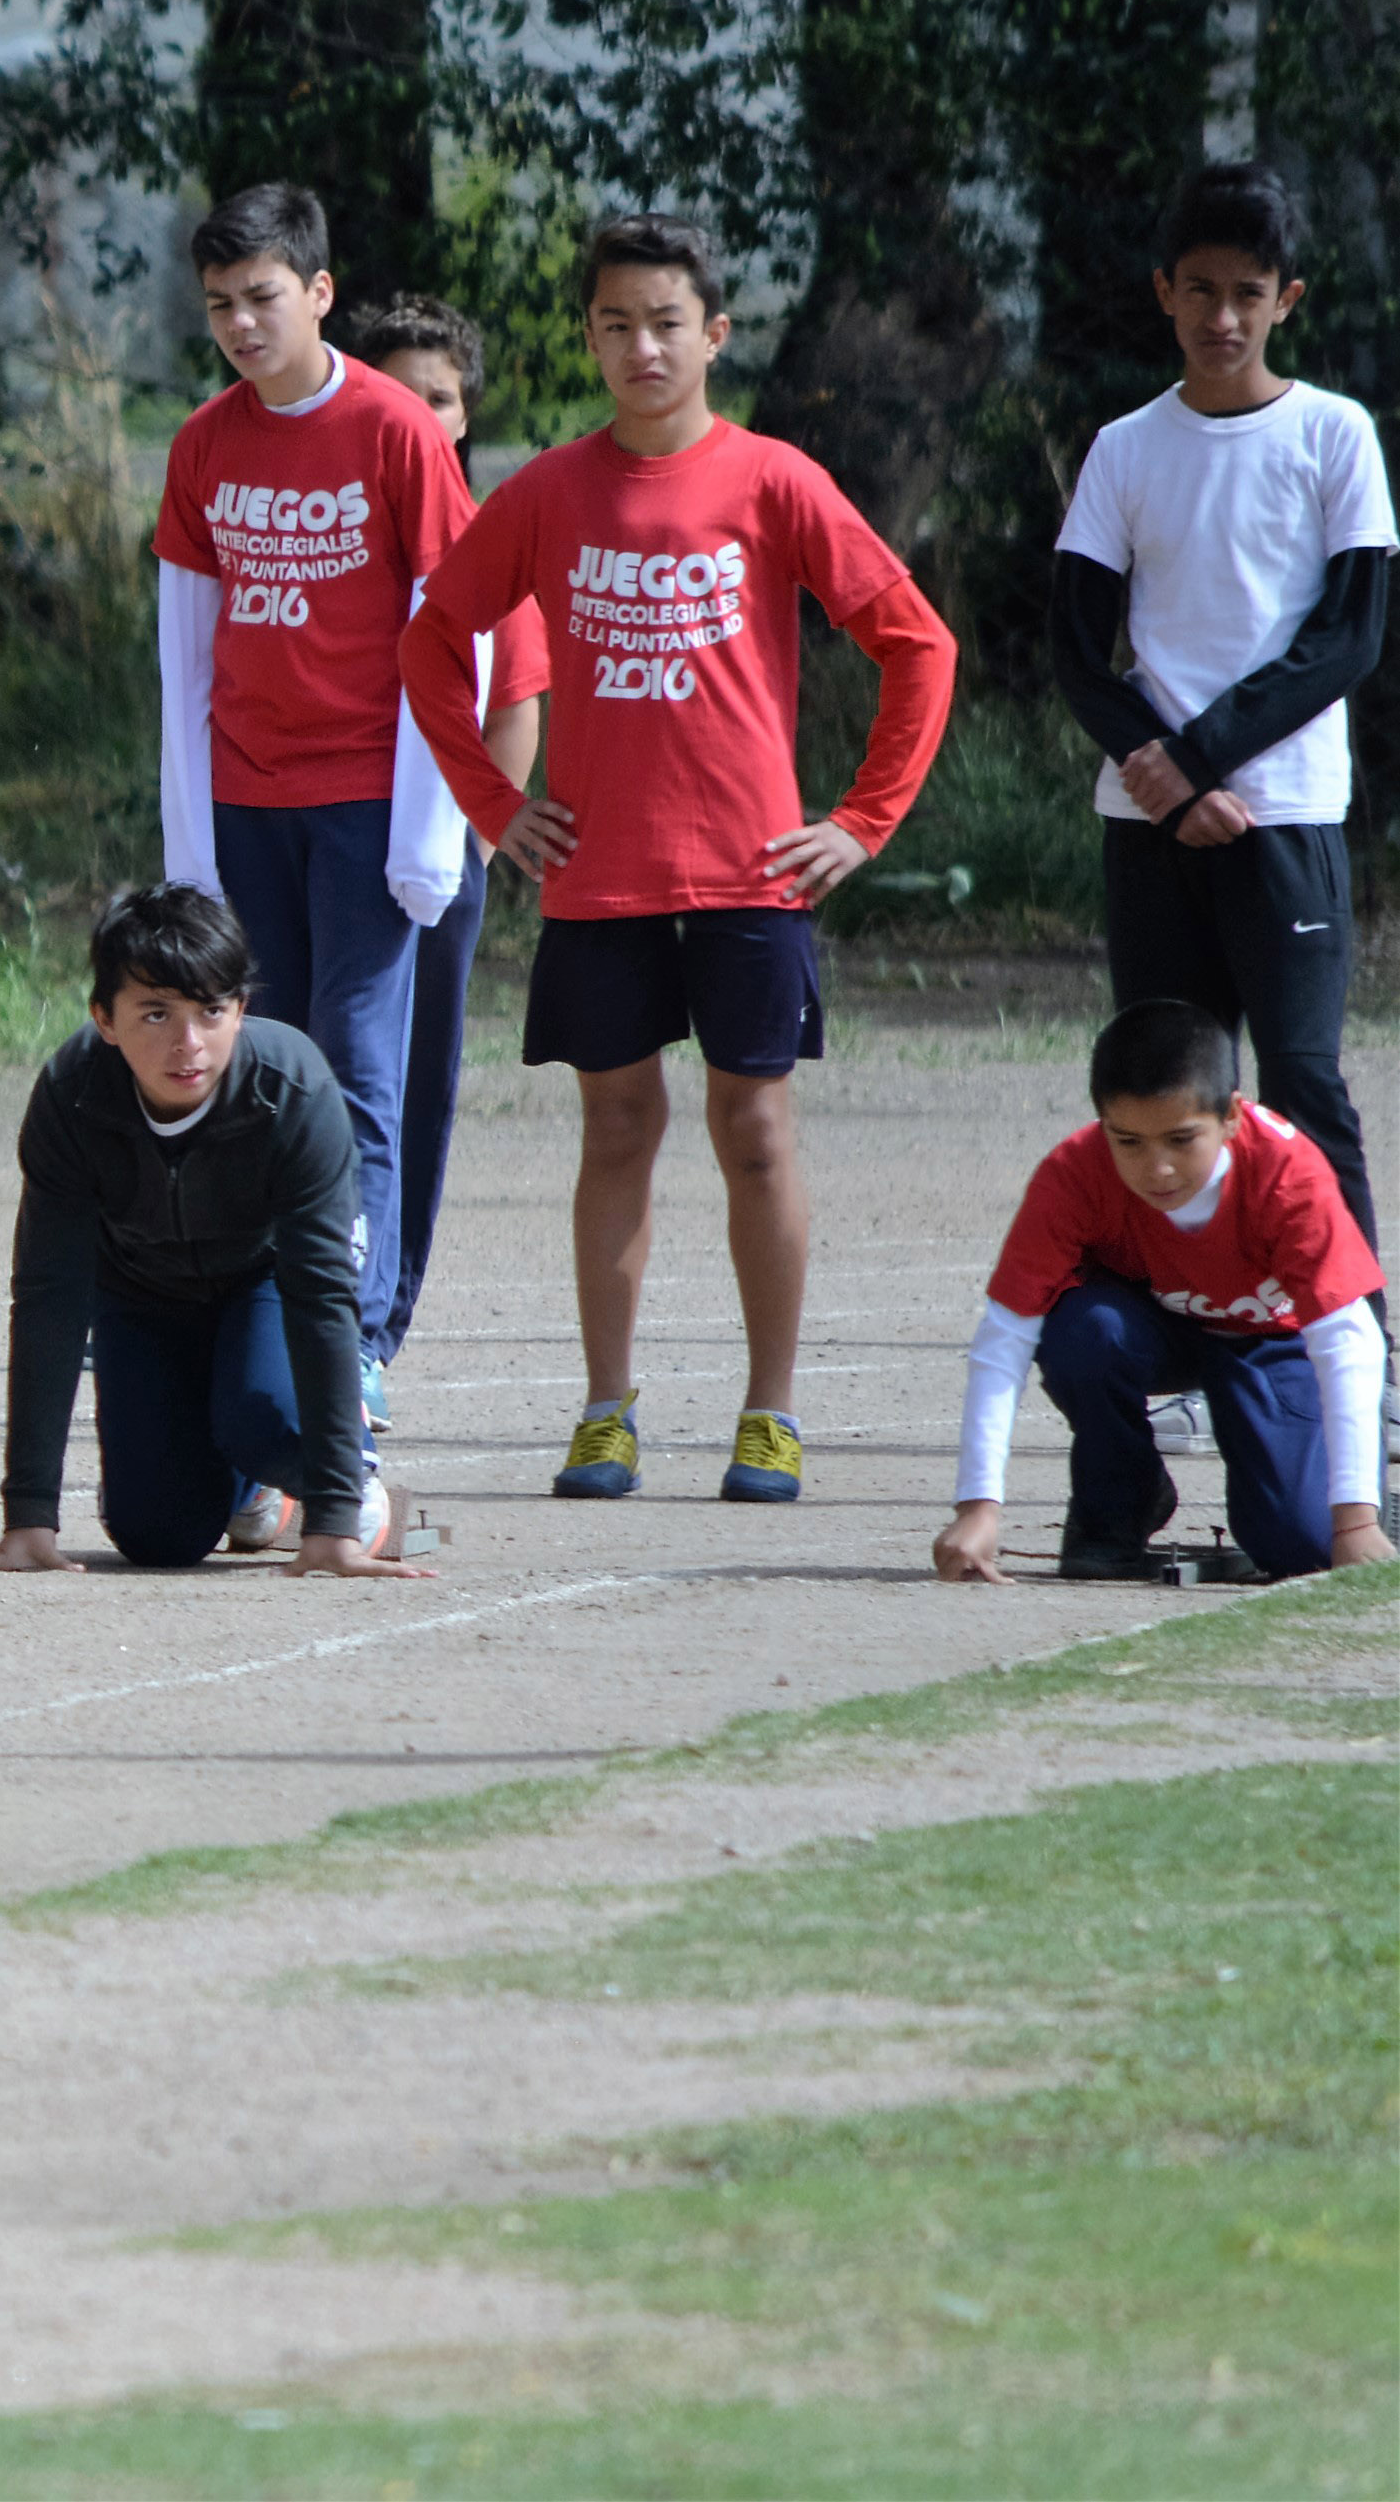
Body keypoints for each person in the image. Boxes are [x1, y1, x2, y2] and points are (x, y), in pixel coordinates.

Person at [403, 212, 957, 1506]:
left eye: (665, 323)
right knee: (615, 1130)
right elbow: (433, 641)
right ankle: (607, 1412)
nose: (639, 346)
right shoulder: (546, 490)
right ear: (588, 336)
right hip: (600, 877)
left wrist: (862, 821)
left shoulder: (773, 482)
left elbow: (914, 644)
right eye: (614, 324)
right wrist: (495, 802)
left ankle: (769, 1415)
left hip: (751, 874)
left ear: (713, 334)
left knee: (753, 1129)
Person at [1048, 161, 1393, 1459]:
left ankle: (1353, 1344)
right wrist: (1156, 770)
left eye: (1248, 294)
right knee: (1162, 1085)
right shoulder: (1127, 448)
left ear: (1285, 299)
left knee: (1300, 1082)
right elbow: (1078, 643)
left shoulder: (1331, 436)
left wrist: (1200, 758)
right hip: (1148, 824)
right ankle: (1179, 1348)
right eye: (1200, 291)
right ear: (1164, 293)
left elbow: (1345, 636)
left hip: (1284, 814)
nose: (1223, 317)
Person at [153, 187, 480, 1417]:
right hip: (248, 805)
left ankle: (361, 1348)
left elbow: (457, 642)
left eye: (264, 299)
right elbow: (183, 653)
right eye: (221, 306)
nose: (242, 324)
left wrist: (425, 831)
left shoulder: (396, 433)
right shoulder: (203, 444)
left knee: (356, 1068)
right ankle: (272, 1336)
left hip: (365, 807)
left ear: (320, 293)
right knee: (258, 1070)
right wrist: (192, 843)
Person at [0, 886, 424, 1576]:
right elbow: (50, 1298)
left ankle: (328, 1470)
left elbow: (320, 1292)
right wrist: (28, 1517)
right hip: (140, 1292)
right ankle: (245, 1485)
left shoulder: (292, 1088)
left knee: (263, 1417)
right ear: (103, 1020)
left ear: (241, 1008)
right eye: (154, 1013)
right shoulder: (73, 1093)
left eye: (210, 1010)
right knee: (156, 1536)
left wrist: (332, 1518)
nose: (187, 1043)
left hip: (262, 1282)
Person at [939, 1000, 1389, 1586]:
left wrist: (1353, 1525)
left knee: (1304, 1547)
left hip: (1272, 1342)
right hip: (1158, 1329)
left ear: (1231, 1115)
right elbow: (1006, 1333)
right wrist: (978, 1509)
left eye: (1181, 1140)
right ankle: (1119, 1506)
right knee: (1082, 1331)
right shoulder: (1072, 1173)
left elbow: (1348, 1337)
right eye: (1128, 1141)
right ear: (1101, 1123)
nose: (1158, 1169)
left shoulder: (1287, 1173)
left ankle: (1378, 1508)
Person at [339, 292, 547, 1364]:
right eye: (398, 395)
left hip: (433, 860)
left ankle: (379, 1323)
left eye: (442, 398)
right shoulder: (327, 519)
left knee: (407, 1090)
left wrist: (472, 841)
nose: (420, 416)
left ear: (464, 416)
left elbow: (515, 703)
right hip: (323, 832)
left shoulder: (484, 537)